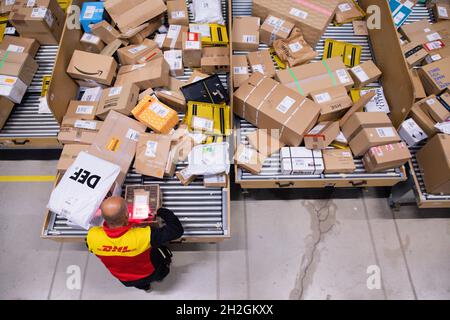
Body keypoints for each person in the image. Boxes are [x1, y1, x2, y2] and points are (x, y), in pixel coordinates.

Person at [86, 196, 184, 291]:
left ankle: (145, 287)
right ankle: (157, 279)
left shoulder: (92, 237)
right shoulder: (144, 236)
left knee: (140, 284)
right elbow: (176, 231)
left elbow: (92, 247)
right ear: (127, 215)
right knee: (161, 271)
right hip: (152, 272)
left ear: (103, 217)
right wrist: (162, 211)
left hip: (125, 280)